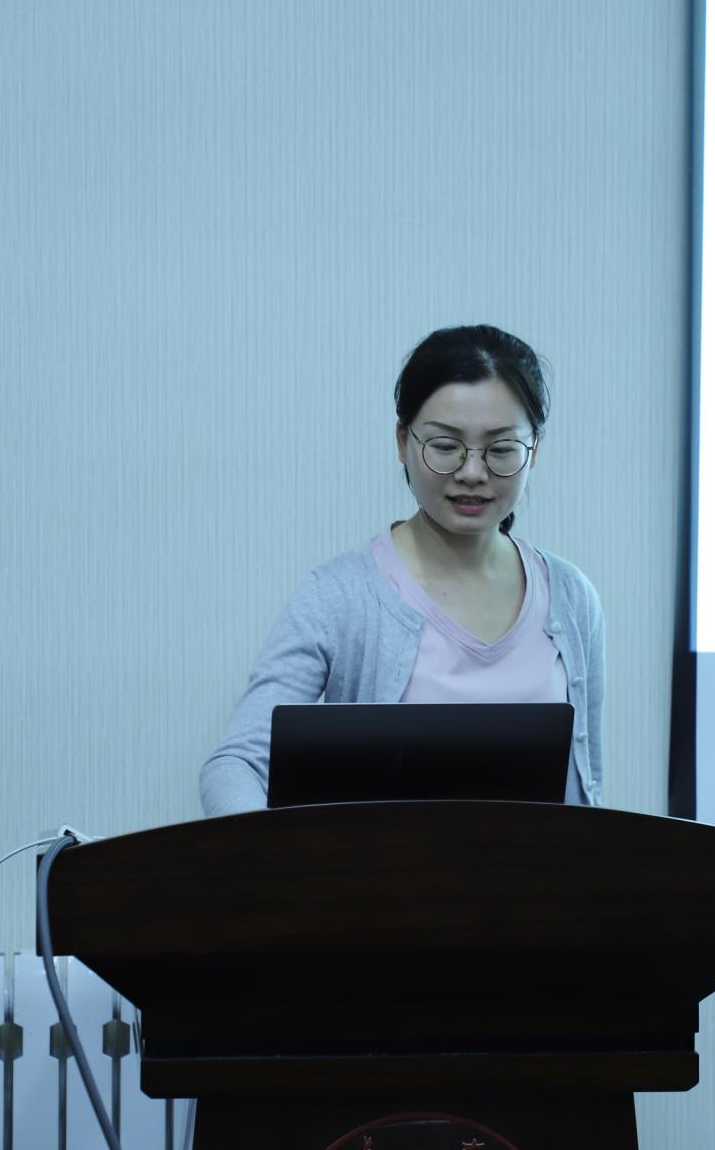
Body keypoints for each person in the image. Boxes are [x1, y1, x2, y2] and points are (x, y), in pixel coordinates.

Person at [199, 324, 605, 816]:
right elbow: (237, 763)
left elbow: (585, 795)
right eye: (445, 446)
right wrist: (271, 853)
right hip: (382, 868)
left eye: (501, 449)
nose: (472, 472)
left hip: (534, 869)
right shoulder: (340, 596)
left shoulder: (571, 597)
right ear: (402, 441)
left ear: (534, 449)